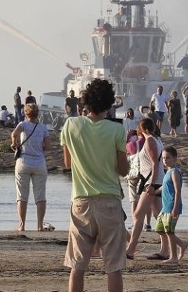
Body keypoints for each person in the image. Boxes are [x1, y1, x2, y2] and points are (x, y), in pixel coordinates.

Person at [60, 78, 128, 292]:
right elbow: (123, 170)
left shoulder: (71, 125)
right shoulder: (117, 130)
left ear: (85, 102)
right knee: (113, 266)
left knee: (77, 264)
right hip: (109, 200)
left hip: (81, 200)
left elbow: (67, 163)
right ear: (109, 105)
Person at [125, 118, 166, 260]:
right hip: (155, 181)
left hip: (151, 183)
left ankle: (130, 250)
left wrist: (152, 185)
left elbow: (155, 164)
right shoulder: (156, 140)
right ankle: (167, 248)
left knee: (138, 215)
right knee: (158, 216)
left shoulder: (150, 141)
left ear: (141, 128)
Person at [11, 103, 50, 232]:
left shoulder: (23, 125)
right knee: (40, 195)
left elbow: (14, 134)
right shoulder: (43, 128)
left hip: (24, 161)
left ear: (25, 113)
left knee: (22, 195)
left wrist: (14, 143)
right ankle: (39, 225)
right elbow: (47, 146)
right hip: (39, 162)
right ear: (37, 114)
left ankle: (22, 225)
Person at [156, 146, 187, 265]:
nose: (165, 160)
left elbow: (177, 190)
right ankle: (182, 244)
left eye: (168, 158)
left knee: (169, 231)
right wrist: (154, 191)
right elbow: (164, 187)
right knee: (159, 229)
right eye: (163, 158)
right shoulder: (167, 172)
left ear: (175, 158)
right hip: (165, 206)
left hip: (172, 206)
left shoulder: (175, 172)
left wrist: (175, 208)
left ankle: (173, 257)